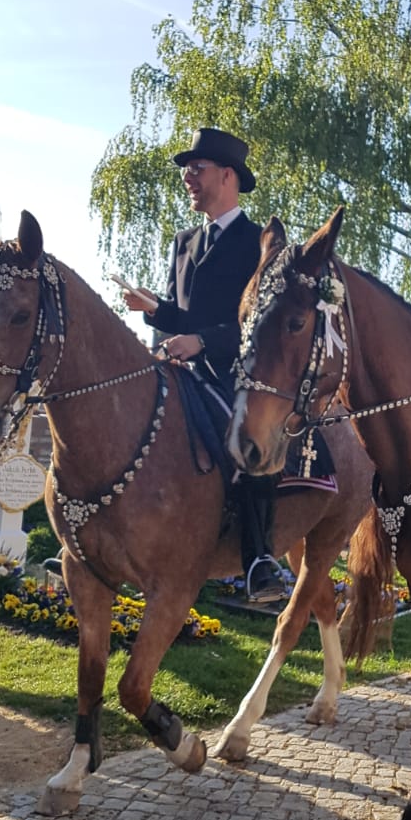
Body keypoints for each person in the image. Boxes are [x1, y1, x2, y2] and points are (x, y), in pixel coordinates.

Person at [122, 126, 284, 603]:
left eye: (197, 169)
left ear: (228, 176)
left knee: (251, 440)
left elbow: (264, 322)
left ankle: (259, 558)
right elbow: (184, 316)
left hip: (240, 375)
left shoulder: (260, 242)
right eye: (185, 171)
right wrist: (155, 309)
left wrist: (204, 341)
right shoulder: (184, 241)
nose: (187, 178)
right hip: (182, 370)